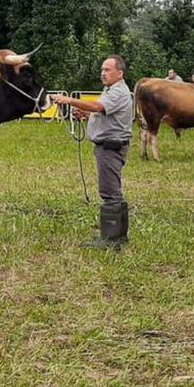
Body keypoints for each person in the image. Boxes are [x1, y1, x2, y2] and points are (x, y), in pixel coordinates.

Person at [49, 55, 135, 250]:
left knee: (109, 192)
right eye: (102, 70)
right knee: (113, 191)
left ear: (119, 73)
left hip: (110, 147)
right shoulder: (112, 90)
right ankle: (120, 236)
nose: (103, 73)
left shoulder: (118, 92)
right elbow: (104, 113)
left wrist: (69, 100)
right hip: (111, 144)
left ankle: (110, 240)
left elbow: (98, 106)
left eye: (108, 70)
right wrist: (88, 115)